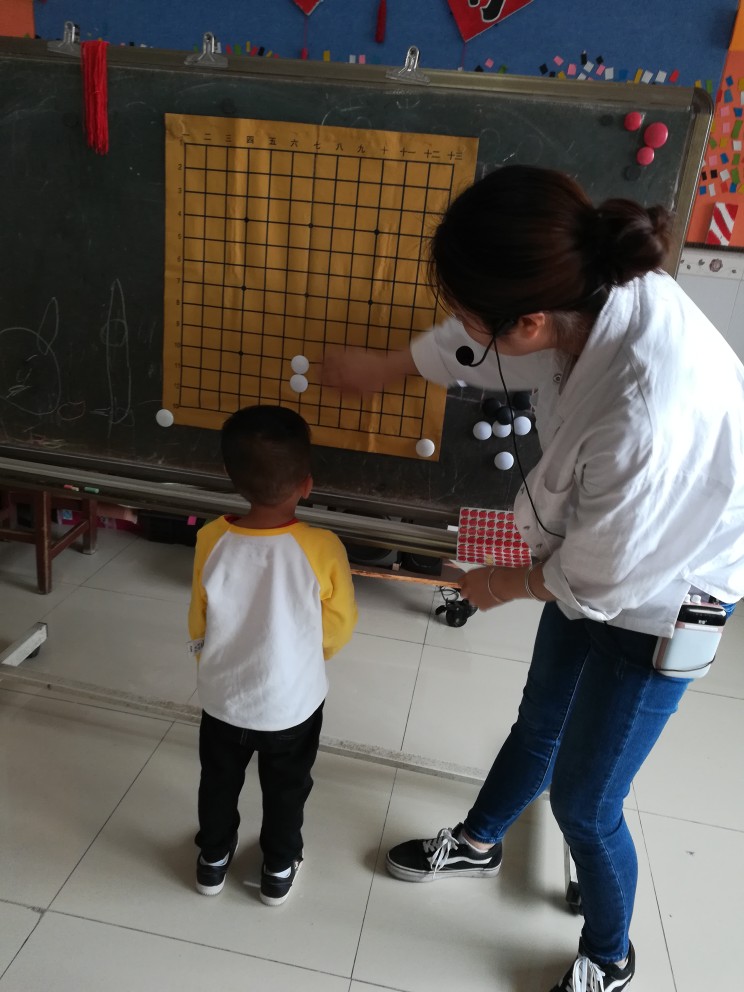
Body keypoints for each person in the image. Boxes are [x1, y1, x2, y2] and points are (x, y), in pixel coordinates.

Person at [322, 165, 744, 991]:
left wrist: (500, 584)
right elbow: (486, 350)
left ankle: (610, 956)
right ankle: (481, 842)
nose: (460, 327)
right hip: (603, 551)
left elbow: (602, 582)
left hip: (671, 595)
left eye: (470, 314)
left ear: (531, 320)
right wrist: (388, 366)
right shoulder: (585, 289)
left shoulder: (643, 409)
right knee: (540, 718)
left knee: (587, 803)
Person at [188, 404, 357, 906]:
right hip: (291, 705)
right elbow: (340, 624)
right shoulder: (323, 547)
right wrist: (310, 656)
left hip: (222, 700)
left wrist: (211, 664)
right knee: (287, 787)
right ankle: (279, 867)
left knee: (218, 780)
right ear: (307, 484)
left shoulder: (211, 538)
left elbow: (199, 617)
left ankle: (212, 858)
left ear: (229, 474)